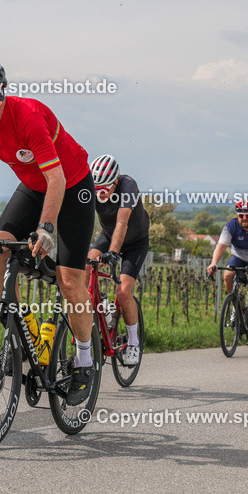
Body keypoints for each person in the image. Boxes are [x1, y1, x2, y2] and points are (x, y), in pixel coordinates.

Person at [0, 60, 96, 406]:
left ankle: (85, 360)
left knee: (70, 281)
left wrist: (46, 228)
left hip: (72, 187)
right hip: (32, 186)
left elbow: (56, 179)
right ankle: (12, 325)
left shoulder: (26, 116)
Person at [87, 155, 149, 365]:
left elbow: (122, 222)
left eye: (104, 188)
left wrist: (113, 252)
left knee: (123, 291)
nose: (99, 193)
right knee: (84, 271)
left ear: (115, 182)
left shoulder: (128, 185)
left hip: (135, 242)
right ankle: (91, 321)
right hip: (107, 234)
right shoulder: (90, 186)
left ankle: (133, 342)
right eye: (96, 188)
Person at [206, 200, 248, 346]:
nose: (244, 219)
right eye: (241, 216)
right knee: (228, 275)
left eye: (247, 216)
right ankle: (237, 305)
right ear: (237, 215)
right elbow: (221, 246)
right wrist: (214, 262)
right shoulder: (231, 226)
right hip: (239, 257)